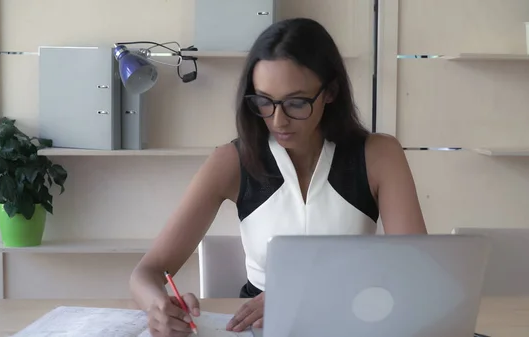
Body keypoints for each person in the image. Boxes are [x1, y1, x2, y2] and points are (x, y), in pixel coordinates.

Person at [129, 17, 427, 337]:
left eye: (296, 102)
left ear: (330, 92)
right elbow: (146, 272)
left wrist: (300, 298)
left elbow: (416, 273)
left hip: (352, 322)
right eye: (264, 101)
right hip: (260, 329)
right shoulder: (231, 161)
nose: (278, 120)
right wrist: (157, 306)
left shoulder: (378, 155)